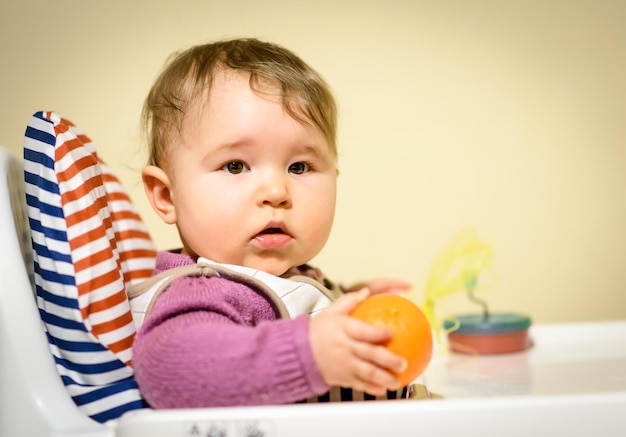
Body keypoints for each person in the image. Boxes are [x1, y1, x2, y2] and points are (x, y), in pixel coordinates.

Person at [131, 37, 412, 409]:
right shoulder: (203, 291)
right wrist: (307, 354)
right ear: (168, 197)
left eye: (299, 167)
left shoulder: (275, 277)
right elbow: (169, 369)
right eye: (235, 166)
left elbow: (292, 301)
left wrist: (351, 300)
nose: (277, 191)